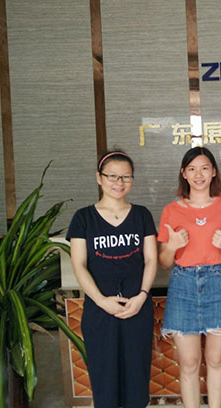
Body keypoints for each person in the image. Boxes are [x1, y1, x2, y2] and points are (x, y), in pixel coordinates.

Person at [67, 151, 158, 408]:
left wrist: (142, 296)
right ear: (99, 178)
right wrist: (100, 300)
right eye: (112, 176)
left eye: (126, 177)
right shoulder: (83, 218)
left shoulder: (141, 215)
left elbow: (151, 259)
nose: (119, 183)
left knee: (136, 376)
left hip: (137, 307)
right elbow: (79, 265)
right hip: (99, 310)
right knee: (104, 377)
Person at [157, 146, 221, 408]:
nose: (198, 175)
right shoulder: (171, 210)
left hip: (220, 281)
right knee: (189, 362)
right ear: (183, 173)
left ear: (213, 171)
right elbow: (164, 262)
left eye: (204, 168)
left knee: (216, 360)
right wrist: (172, 247)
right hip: (183, 283)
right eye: (192, 169)